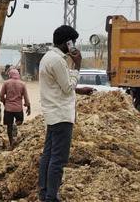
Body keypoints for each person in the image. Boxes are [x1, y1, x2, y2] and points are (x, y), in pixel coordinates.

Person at [38, 25, 94, 202]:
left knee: (48, 156)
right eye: (73, 42)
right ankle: (51, 197)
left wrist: (79, 90)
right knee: (58, 160)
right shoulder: (57, 61)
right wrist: (77, 65)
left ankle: (44, 192)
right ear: (66, 42)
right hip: (61, 115)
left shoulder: (49, 57)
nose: (74, 45)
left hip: (53, 114)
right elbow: (67, 86)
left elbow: (59, 86)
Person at [0, 68, 30, 148]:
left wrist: (4, 102)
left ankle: (11, 141)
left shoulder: (6, 83)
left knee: (9, 126)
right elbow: (26, 97)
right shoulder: (22, 84)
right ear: (18, 75)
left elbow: (1, 95)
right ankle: (16, 133)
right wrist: (28, 106)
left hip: (8, 109)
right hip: (18, 109)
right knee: (19, 122)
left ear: (10, 75)